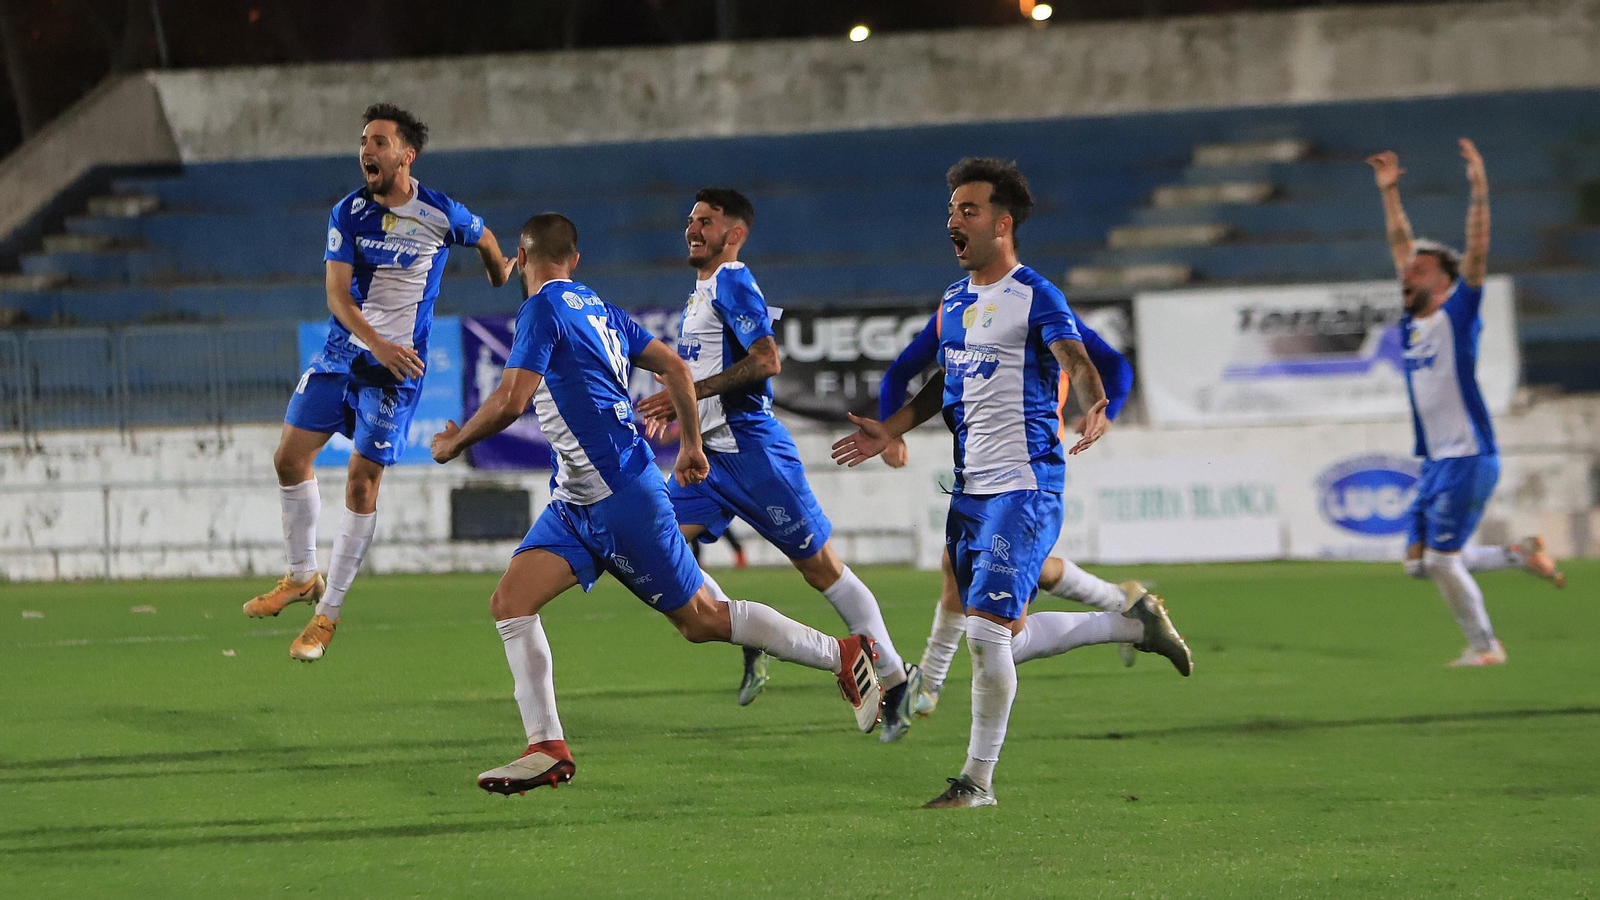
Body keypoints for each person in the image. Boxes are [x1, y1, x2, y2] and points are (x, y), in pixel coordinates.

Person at [430, 213, 883, 795]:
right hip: (577, 501)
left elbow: (513, 399)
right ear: (576, 259)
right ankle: (546, 746)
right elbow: (674, 366)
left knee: (702, 622)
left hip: (622, 497)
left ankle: (844, 652)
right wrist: (690, 443)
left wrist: (453, 443)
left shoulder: (542, 308)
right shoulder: (602, 310)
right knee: (511, 602)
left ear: (520, 259)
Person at [832, 158, 1192, 808]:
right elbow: (944, 381)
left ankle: (976, 782)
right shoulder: (954, 302)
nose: (953, 221)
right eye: (949, 211)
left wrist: (1097, 402)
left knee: (988, 635)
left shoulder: (1036, 294)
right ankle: (1136, 622)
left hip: (1025, 489)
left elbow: (1076, 356)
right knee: (1009, 632)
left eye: (966, 211)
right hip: (970, 492)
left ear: (1002, 224)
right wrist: (895, 428)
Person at [634, 189, 921, 742]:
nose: (692, 229)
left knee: (821, 570)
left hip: (753, 452)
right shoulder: (698, 295)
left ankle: (894, 677)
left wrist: (686, 392)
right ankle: (751, 633)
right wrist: (683, 408)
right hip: (707, 458)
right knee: (653, 545)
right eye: (690, 220)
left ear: (734, 234)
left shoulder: (733, 280)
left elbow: (767, 360)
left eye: (706, 221)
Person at [243, 103, 513, 661]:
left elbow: (486, 237)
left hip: (397, 372)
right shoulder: (347, 212)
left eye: (380, 141)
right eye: (364, 139)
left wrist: (499, 273)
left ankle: (327, 617)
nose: (367, 149)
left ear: (406, 155)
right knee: (289, 459)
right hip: (347, 353)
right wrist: (377, 343)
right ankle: (300, 575)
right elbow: (337, 297)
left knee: (362, 484)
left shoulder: (440, 212)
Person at [876, 313, 1155, 716]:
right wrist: (893, 430)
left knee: (986, 593)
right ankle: (1121, 602)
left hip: (1032, 470)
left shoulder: (1040, 309)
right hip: (980, 465)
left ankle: (931, 688)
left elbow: (1114, 366)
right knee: (986, 566)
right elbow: (900, 373)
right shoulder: (954, 313)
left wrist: (1105, 412)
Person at [1367, 142, 1566, 667]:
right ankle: (1517, 556)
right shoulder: (1413, 323)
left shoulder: (1459, 313)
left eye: (1420, 270)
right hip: (1436, 460)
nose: (1408, 274)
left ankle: (1486, 648)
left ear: (1446, 282)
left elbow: (1476, 251)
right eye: (1408, 271)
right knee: (1418, 563)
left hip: (1468, 456)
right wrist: (1390, 195)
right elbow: (1399, 244)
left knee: (1440, 560)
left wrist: (1479, 189)